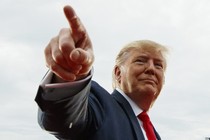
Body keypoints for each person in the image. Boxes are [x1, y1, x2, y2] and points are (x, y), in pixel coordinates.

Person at [35, 5, 168, 140]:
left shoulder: (154, 134)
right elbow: (63, 118)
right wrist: (70, 74)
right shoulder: (99, 104)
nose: (151, 69)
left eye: (159, 65)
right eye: (140, 61)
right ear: (118, 73)